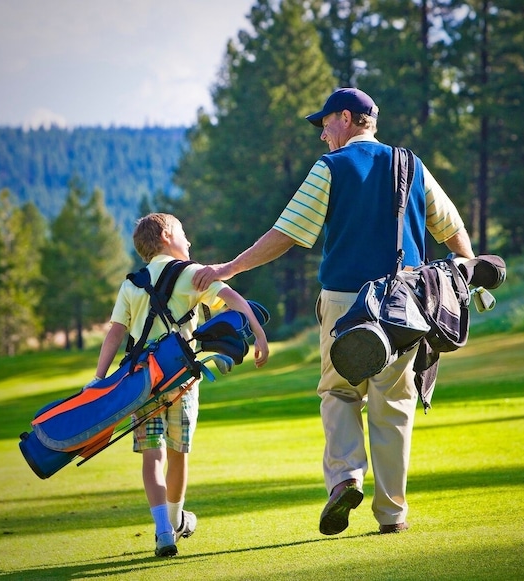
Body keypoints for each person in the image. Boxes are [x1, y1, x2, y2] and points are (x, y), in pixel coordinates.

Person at [192, 88, 475, 535]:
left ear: (346, 117)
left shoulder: (331, 167)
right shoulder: (411, 164)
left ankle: (345, 479)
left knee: (340, 392)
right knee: (394, 406)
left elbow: (286, 233)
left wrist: (229, 268)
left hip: (346, 302)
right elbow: (452, 228)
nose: (323, 135)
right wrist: (466, 275)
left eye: (325, 124)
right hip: (406, 305)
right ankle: (392, 515)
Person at [90, 212, 269, 557]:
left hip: (141, 382)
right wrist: (258, 333)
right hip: (181, 381)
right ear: (167, 236)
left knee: (152, 456)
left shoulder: (131, 283)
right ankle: (176, 520)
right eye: (183, 233)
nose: (188, 241)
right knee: (178, 453)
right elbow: (232, 299)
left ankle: (163, 530)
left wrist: (98, 379)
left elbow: (115, 334)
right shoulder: (191, 274)